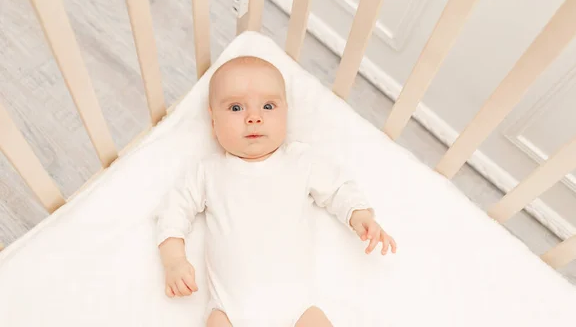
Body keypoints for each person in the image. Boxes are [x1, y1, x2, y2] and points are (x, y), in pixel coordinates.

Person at [156, 56, 396, 326]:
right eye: (236, 108)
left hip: (297, 309)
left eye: (268, 106)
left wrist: (360, 215)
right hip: (230, 309)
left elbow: (339, 187)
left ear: (286, 113)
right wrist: (174, 261)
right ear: (213, 121)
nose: (254, 118)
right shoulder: (208, 171)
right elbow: (173, 212)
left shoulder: (300, 161)